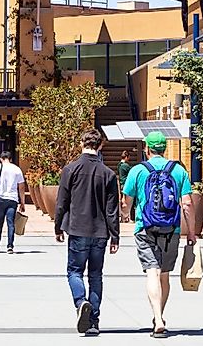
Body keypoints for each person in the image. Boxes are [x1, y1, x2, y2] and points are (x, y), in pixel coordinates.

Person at [121, 132, 196, 339]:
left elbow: (126, 202)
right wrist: (191, 231)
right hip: (171, 230)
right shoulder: (179, 170)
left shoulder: (137, 170)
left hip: (145, 227)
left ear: (147, 148)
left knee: (151, 272)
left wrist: (125, 215)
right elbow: (187, 203)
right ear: (164, 148)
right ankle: (159, 316)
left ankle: (158, 318)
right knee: (164, 274)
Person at [55, 129, 120, 337]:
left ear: (81, 143)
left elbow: (62, 202)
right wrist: (115, 236)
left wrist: (58, 227)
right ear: (100, 146)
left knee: (74, 271)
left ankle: (80, 301)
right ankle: (93, 321)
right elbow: (112, 210)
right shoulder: (108, 174)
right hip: (100, 232)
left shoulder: (70, 169)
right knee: (95, 275)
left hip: (77, 228)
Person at [0, 151, 26, 254]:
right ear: (11, 159)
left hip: (0, 199)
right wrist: (22, 202)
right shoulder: (17, 169)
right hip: (13, 199)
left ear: (1, 159)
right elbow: (21, 187)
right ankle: (10, 246)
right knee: (11, 223)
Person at [117, 151, 132, 222]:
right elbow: (131, 172)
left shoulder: (119, 165)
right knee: (126, 202)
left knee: (122, 201)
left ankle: (123, 217)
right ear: (126, 157)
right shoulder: (125, 165)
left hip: (121, 184)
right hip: (126, 184)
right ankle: (126, 217)